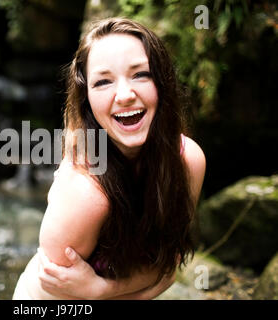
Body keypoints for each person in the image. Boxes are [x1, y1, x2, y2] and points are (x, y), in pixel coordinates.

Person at [12, 17, 206, 300]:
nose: (125, 95)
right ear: (86, 98)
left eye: (141, 74)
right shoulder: (85, 193)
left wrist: (102, 289)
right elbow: (52, 295)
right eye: (103, 82)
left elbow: (169, 268)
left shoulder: (188, 160)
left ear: (162, 82)